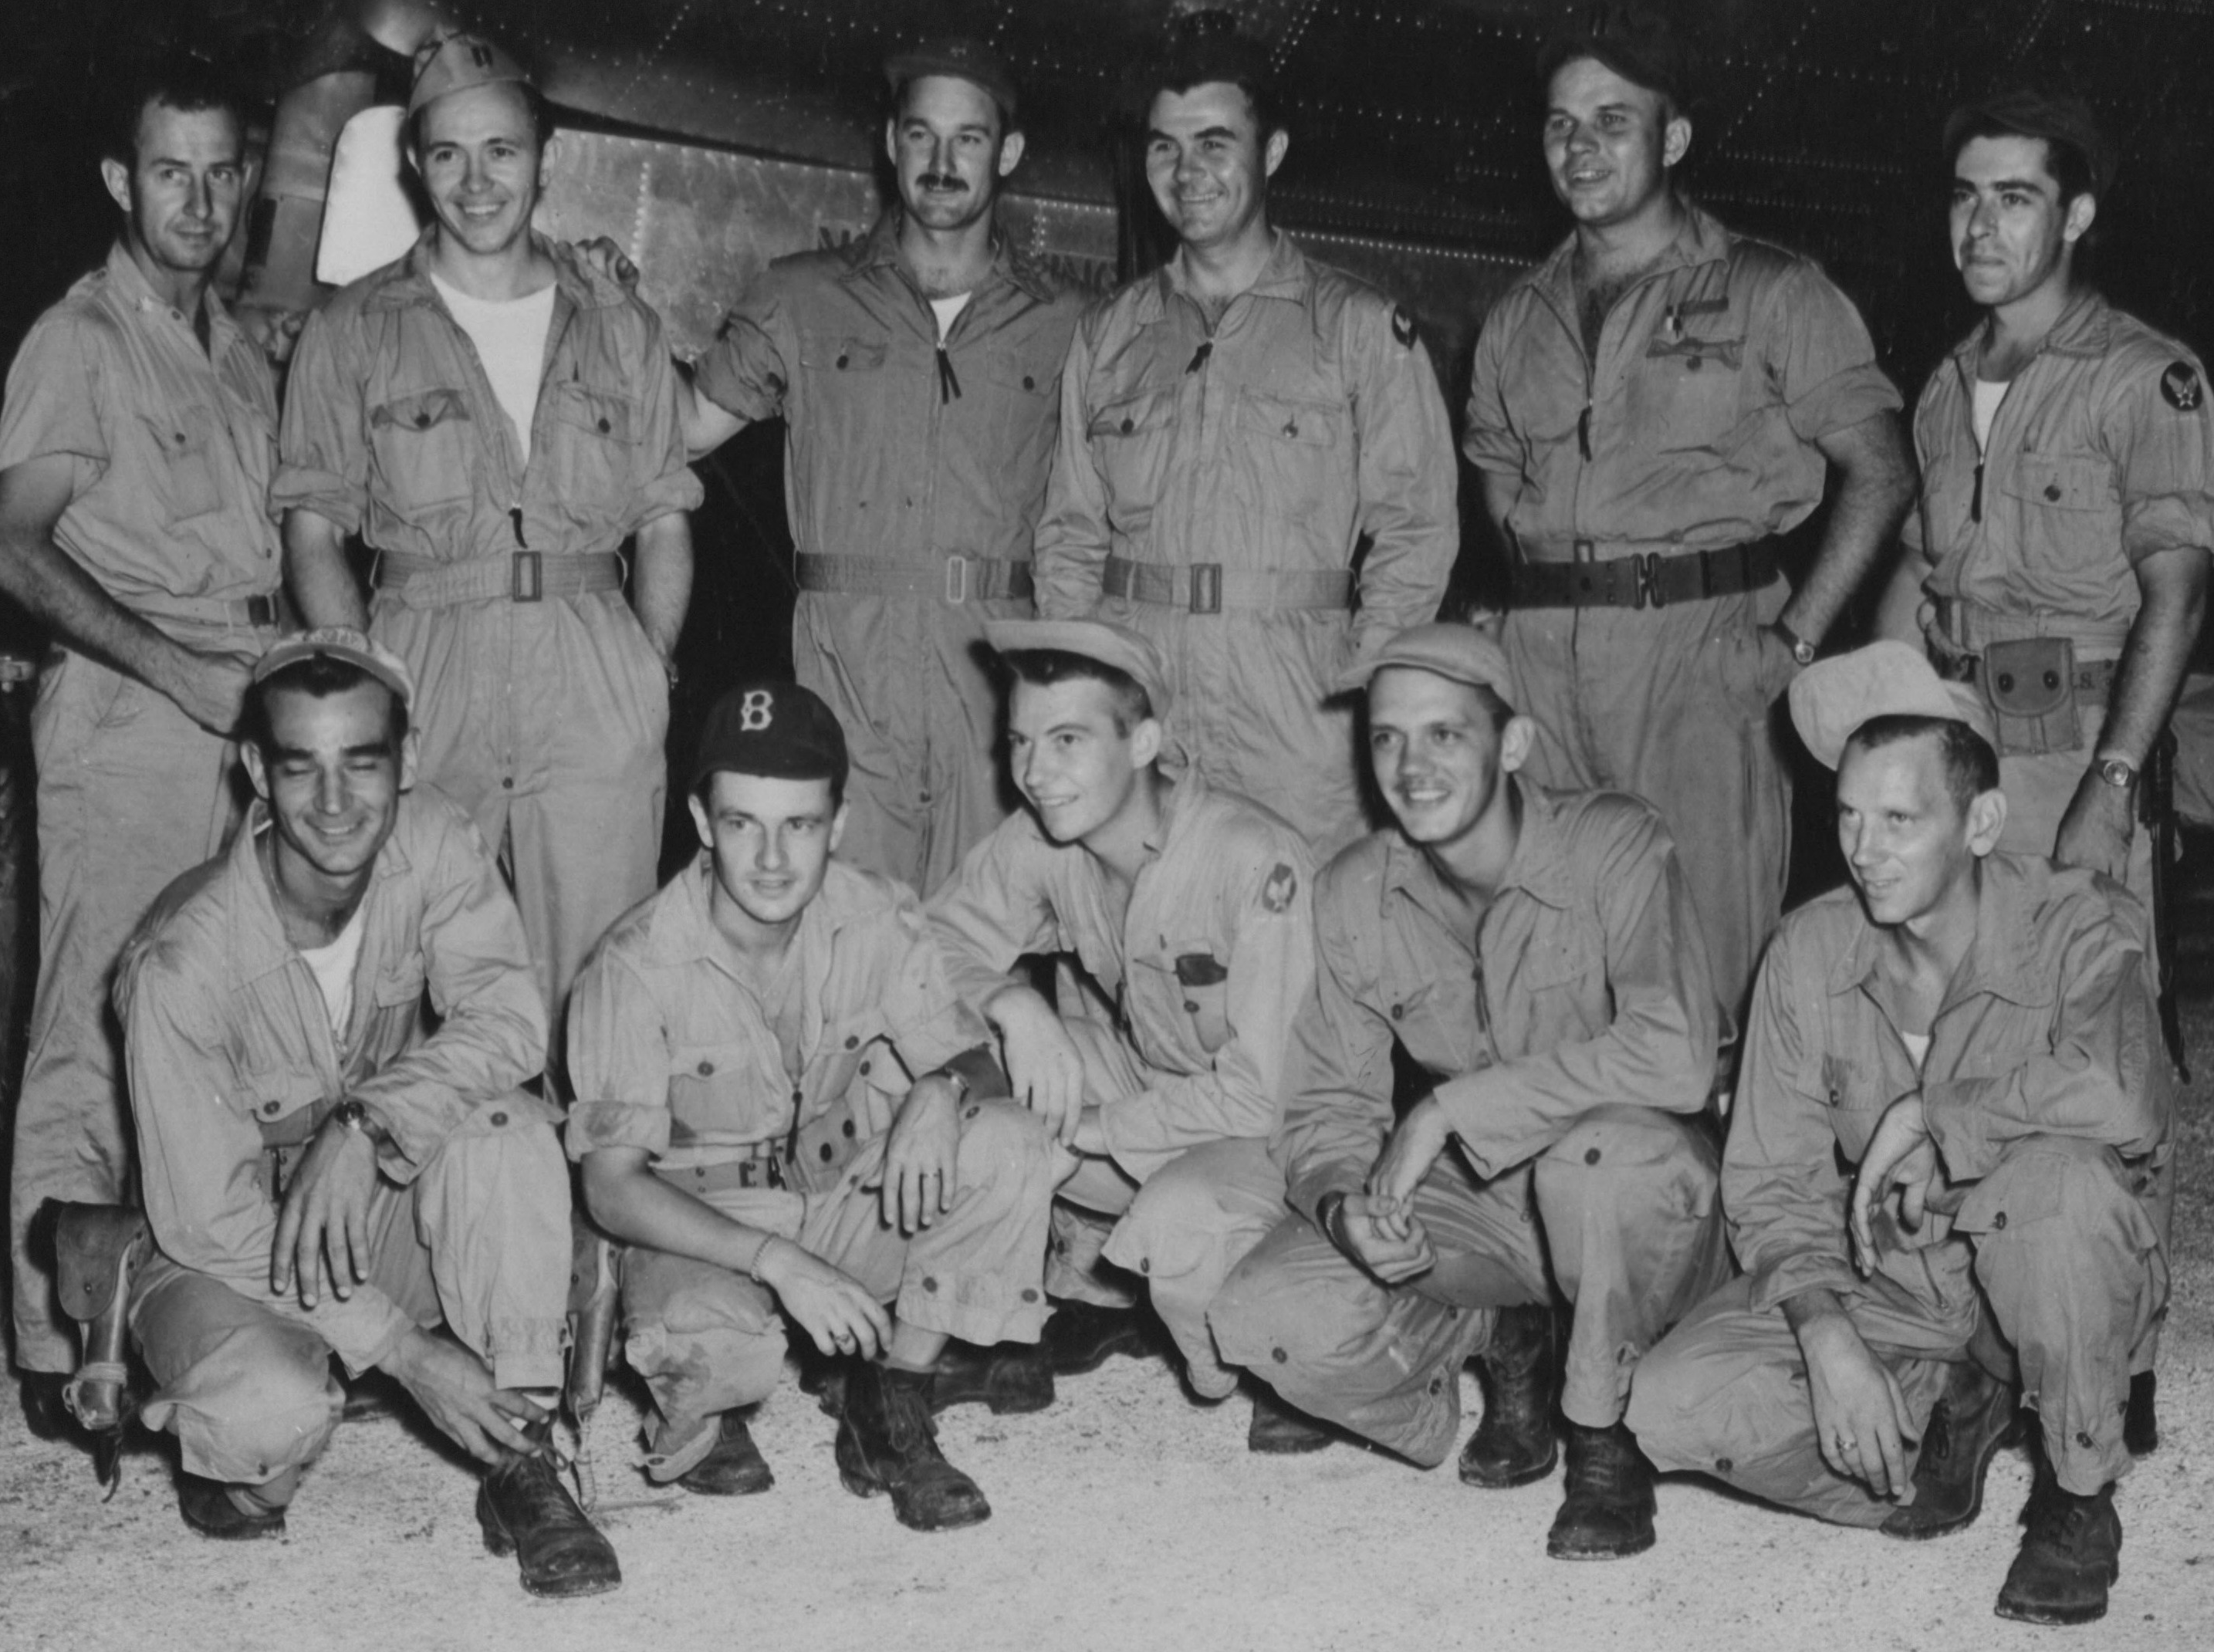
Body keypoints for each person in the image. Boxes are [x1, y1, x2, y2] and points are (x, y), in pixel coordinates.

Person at [1625, 644, 2175, 1625]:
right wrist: (1827, 1335)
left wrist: (1932, 1114)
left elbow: (2125, 1096)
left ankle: (2075, 1493)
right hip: (1900, 1290)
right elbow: (1769, 1183)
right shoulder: (1807, 950)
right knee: (1668, 1403)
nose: (1861, 850)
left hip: (2041, 1266)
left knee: (2063, 1187)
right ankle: (1942, 1418)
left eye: (1897, 820)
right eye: (1846, 815)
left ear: (1980, 823)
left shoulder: (2077, 927)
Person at [109, 630, 620, 1595]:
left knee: (503, 1128)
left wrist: (368, 1124)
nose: (336, 804)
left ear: (410, 763)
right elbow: (208, 1220)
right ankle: (236, 1463)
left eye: (363, 764)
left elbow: (509, 1020)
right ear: (257, 769)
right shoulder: (181, 963)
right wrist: (404, 1350)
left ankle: (521, 1450)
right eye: (300, 767)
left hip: (367, 1211)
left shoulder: (433, 840)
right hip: (226, 1251)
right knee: (269, 1413)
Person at [1210, 627, 1727, 1553]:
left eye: (1444, 735)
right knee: (1261, 1315)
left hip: (1638, 1205)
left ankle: (1604, 1437)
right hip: (1491, 1211)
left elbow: (1676, 1054)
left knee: (1597, 1157)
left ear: (1513, 745)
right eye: (1386, 738)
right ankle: (1499, 1334)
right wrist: (1340, 1210)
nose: (1410, 766)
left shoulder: (1614, 844)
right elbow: (1327, 1105)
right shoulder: (1356, 890)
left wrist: (1453, 1106)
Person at [1872, 88, 2214, 1450]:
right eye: (1963, 194)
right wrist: (1882, 741)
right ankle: (1987, 1330)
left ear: (2072, 213)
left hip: (2082, 739)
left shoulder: (2146, 377)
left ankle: (2112, 1359)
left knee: (2097, 1034)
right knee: (1965, 1021)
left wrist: (2113, 780)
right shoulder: (1944, 389)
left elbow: (2173, 595)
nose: (1980, 223)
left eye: (2012, 196)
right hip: (1969, 742)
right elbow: (1922, 576)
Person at [1463, 7, 1914, 1028]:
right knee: (1557, 952)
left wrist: (1790, 641)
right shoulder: (1515, 318)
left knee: (1708, 964)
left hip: (1699, 661)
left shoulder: (1771, 290)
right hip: (1546, 665)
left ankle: (1718, 1177)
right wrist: (1529, 606)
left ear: (1672, 139)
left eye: (1612, 121)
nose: (1581, 148)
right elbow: (1496, 471)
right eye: (1561, 124)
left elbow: (1880, 472)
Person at [275, 31, 698, 1025]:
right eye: (450, 155)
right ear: (417, 167)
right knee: (418, 983)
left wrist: (648, 669)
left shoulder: (618, 323)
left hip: (592, 671)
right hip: (427, 671)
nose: (477, 182)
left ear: (544, 160)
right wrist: (373, 684)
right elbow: (312, 531)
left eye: (501, 151)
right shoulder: (355, 329)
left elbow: (666, 518)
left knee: (604, 1000)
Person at [564, 681, 1058, 1531]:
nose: (768, 858)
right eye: (740, 822)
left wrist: (940, 1091)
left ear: (836, 824)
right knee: (720, 1354)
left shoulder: (876, 914)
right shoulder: (633, 964)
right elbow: (611, 1187)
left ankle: (890, 1397)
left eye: (797, 825)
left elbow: (972, 1057)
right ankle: (708, 1391)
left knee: (1008, 1142)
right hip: (698, 1224)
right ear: (698, 818)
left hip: (835, 1202)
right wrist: (778, 1263)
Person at [0, 59, 282, 1437]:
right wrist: (170, 668)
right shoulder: (80, 340)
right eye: (174, 170)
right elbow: (11, 547)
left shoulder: (231, 347)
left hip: (232, 704)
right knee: (93, 1019)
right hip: (131, 707)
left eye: (223, 171)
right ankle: (56, 1351)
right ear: (122, 179)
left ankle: (164, 1310)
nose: (201, 198)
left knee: (192, 1020)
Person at [1032, 26, 1456, 860]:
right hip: (1144, 713)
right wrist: (1085, 707)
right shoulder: (1109, 337)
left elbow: (1415, 533)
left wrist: (1360, 700)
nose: (1187, 174)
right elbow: (1069, 537)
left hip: (1297, 726)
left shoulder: (1358, 331)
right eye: (1164, 148)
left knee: (1301, 956)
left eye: (1214, 145)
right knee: (1136, 953)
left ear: (1273, 154)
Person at [678, 39, 1087, 893]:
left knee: (982, 951)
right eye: (921, 136)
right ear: (889, 143)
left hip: (993, 688)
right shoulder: (800, 297)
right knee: (849, 955)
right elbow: (676, 433)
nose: (941, 163)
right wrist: (603, 309)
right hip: (847, 681)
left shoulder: (1068, 325)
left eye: (968, 139)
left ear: (1006, 153)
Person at [927, 620, 1319, 1438]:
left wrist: (1095, 1128)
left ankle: (1296, 1328)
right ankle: (993, 1324)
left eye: (1067, 740)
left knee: (1182, 1235)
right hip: (1164, 1094)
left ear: (1143, 741)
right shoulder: (1043, 837)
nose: (1034, 773)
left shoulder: (1252, 859)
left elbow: (1262, 1101)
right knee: (954, 1084)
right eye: (1021, 742)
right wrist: (1013, 1004)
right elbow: (925, 945)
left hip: (1286, 1141)